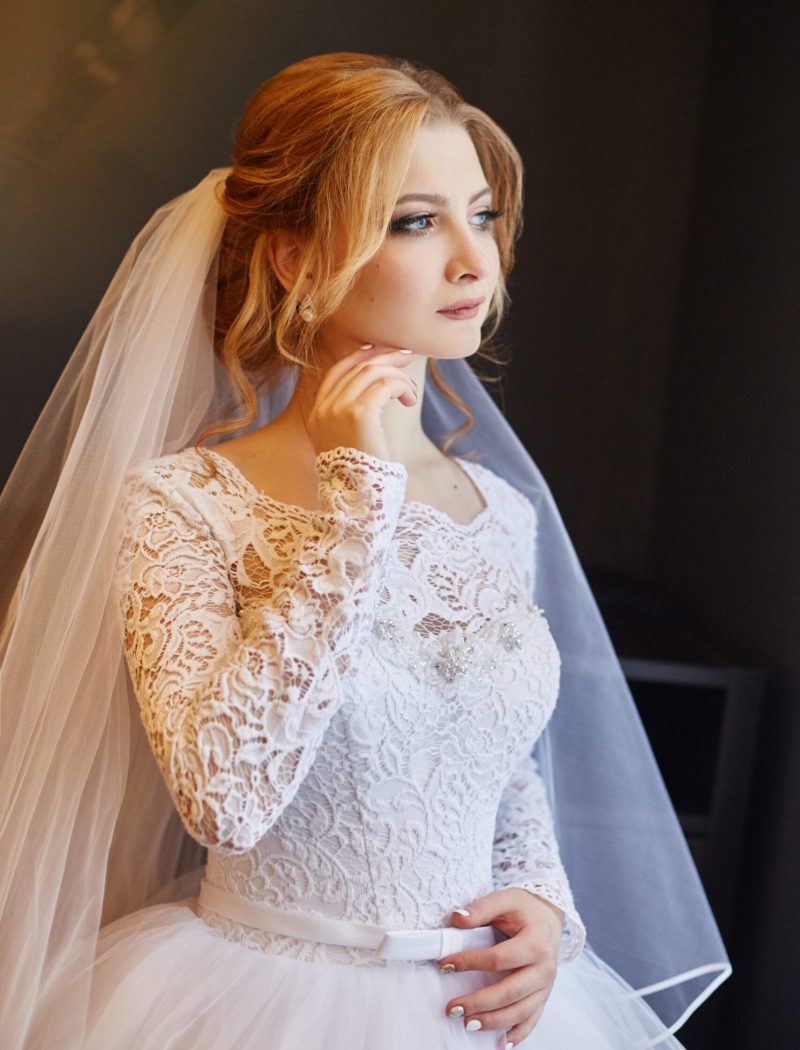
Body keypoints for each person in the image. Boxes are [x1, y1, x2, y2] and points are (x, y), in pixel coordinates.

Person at [0, 53, 730, 1049]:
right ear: (296, 259)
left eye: (481, 215)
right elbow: (225, 798)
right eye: (414, 221)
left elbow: (495, 754)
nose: (474, 261)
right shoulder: (182, 502)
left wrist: (539, 898)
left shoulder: (496, 510)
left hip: (480, 1011)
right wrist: (357, 506)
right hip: (257, 1001)